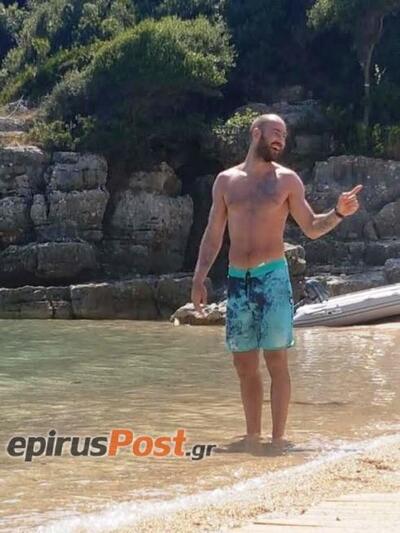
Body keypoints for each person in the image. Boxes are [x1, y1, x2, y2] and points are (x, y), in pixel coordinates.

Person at [191, 113, 363, 450]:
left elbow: (311, 227)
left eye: (284, 135)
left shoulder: (287, 181)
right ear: (256, 133)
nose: (280, 140)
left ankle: (278, 439)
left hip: (273, 277)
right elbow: (213, 234)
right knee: (244, 363)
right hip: (238, 279)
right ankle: (252, 436)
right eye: (275, 132)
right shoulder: (226, 181)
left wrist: (339, 212)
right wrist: (199, 277)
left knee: (275, 359)